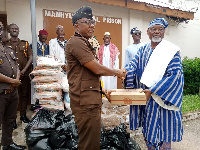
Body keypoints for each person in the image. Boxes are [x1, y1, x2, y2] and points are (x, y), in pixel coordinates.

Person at [65, 6, 126, 150]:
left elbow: (87, 75)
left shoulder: (84, 42)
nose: (92, 25)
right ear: (76, 25)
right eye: (87, 22)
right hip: (85, 103)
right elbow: (96, 68)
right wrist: (117, 72)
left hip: (88, 100)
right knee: (89, 144)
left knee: (92, 141)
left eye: (93, 22)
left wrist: (102, 90)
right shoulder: (76, 42)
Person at [124, 18, 184, 149]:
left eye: (160, 29)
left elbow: (175, 75)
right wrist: (124, 72)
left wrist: (153, 90)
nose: (157, 32)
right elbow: (132, 66)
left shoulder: (170, 51)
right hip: (146, 100)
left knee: (164, 131)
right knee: (148, 130)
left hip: (162, 99)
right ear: (148, 32)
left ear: (164, 32)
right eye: (153, 29)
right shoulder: (142, 50)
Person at [0, 21, 26, 150]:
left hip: (12, 91)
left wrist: (15, 80)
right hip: (1, 93)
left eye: (1, 29)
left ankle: (7, 144)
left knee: (10, 120)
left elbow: (16, 66)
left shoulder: (7, 49)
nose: (1, 31)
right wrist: (12, 82)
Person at [5, 23, 33, 125]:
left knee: (24, 95)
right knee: (12, 97)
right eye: (12, 28)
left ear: (18, 30)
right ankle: (12, 120)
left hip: (24, 74)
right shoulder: (5, 44)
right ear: (8, 31)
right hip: (10, 76)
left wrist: (24, 70)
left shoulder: (25, 44)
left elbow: (30, 57)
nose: (14, 30)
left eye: (16, 28)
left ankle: (23, 115)